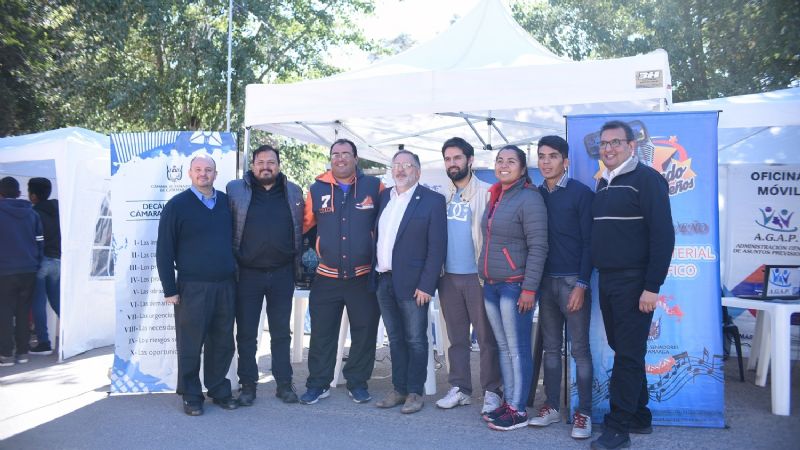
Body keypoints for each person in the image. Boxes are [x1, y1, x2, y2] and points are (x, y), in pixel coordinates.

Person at [589, 121, 674, 450]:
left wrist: (652, 287)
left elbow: (663, 236)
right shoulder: (603, 183)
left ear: (631, 146)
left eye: (615, 143)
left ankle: (618, 426)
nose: (608, 149)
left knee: (627, 354)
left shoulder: (647, 180)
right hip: (608, 279)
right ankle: (639, 415)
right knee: (625, 349)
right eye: (603, 143)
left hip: (635, 281)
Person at [300, 139, 383, 405]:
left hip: (363, 277)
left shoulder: (375, 187)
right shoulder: (317, 188)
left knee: (364, 332)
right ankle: (318, 384)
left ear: (356, 159)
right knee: (322, 334)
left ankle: (357, 382)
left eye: (346, 154)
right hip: (326, 277)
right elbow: (304, 225)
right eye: (335, 154)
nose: (340, 159)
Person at [156, 154, 239, 416]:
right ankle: (191, 395)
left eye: (209, 170)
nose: (204, 174)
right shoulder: (177, 206)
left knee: (223, 342)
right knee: (191, 344)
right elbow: (164, 250)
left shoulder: (227, 203)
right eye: (198, 170)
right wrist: (170, 289)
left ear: (216, 174)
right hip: (191, 287)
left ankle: (218, 389)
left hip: (226, 286)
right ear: (190, 174)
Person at [527, 136, 594, 439]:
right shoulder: (534, 195)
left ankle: (584, 415)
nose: (546, 161)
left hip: (572, 282)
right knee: (551, 350)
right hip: (544, 283)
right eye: (541, 156)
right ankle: (552, 407)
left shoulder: (581, 193)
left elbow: (591, 243)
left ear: (565, 161)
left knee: (579, 351)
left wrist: (581, 282)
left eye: (553, 156)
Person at [226, 144, 304, 405]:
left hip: (282, 273)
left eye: (271, 162)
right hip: (247, 273)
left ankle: (284, 384)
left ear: (279, 165)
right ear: (252, 165)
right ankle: (248, 385)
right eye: (260, 162)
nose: (265, 167)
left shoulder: (293, 191)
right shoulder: (235, 190)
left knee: (282, 332)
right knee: (247, 333)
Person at [479, 146, 548, 431]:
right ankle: (510, 403)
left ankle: (518, 410)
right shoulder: (497, 195)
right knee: (504, 348)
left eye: (511, 161)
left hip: (515, 286)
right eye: (499, 161)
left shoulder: (529, 198)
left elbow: (539, 246)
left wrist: (529, 289)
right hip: (492, 284)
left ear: (522, 169)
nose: (503, 165)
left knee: (518, 349)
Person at [373, 150, 446, 414]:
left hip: (415, 283)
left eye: (407, 165)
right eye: (396, 165)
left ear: (418, 171)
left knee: (415, 339)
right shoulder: (385, 197)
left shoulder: (432, 200)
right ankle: (399, 388)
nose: (401, 170)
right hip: (384, 280)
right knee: (395, 339)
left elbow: (437, 247)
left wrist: (427, 285)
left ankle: (415, 392)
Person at [435, 137, 502, 414]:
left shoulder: (488, 193)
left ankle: (492, 390)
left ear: (470, 160)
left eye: (457, 158)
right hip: (447, 277)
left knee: (486, 338)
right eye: (448, 159)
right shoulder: (441, 196)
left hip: (478, 277)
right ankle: (460, 388)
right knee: (456, 338)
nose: (453, 164)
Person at [0, 177, 43, 367]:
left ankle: (6, 354)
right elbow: (40, 241)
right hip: (29, 270)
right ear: (19, 193)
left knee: (4, 312)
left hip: (4, 271)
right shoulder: (32, 214)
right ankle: (23, 353)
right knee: (24, 311)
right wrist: (36, 263)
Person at [28, 177, 61, 356]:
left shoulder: (33, 214)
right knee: (57, 302)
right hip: (57, 259)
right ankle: (70, 336)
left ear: (33, 195)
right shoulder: (58, 211)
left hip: (41, 260)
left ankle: (43, 342)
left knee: (38, 303)